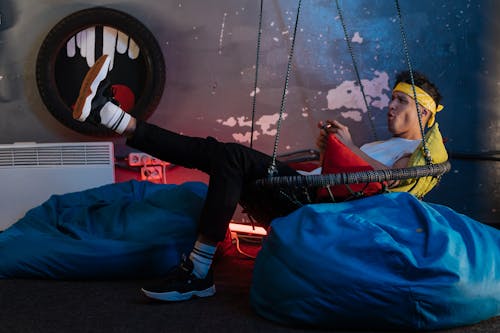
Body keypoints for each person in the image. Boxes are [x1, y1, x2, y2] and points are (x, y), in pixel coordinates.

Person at [73, 54, 443, 302]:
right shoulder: (383, 142)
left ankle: (114, 118)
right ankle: (113, 118)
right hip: (304, 188)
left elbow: (389, 184)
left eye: (401, 101)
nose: (390, 106)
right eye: (392, 98)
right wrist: (330, 148)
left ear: (425, 114)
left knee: (227, 156)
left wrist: (348, 146)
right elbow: (349, 170)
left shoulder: (410, 154)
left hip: (311, 203)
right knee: (222, 156)